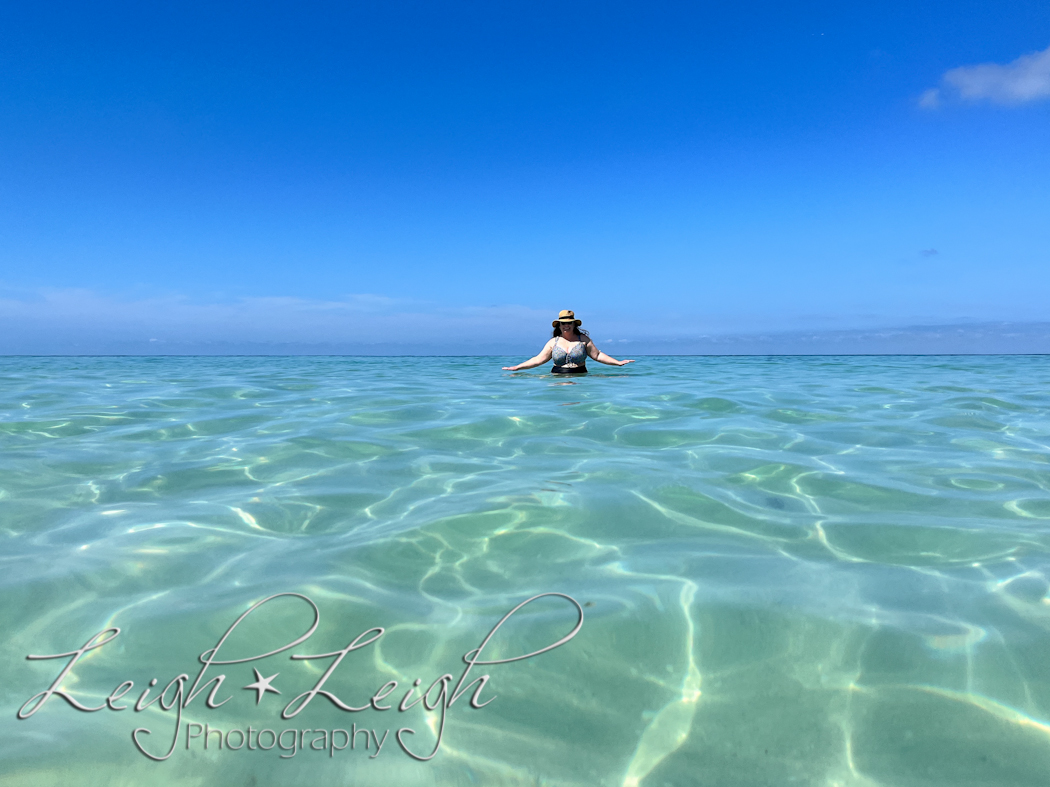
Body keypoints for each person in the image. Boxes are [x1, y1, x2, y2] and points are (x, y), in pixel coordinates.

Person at [502, 310, 636, 373]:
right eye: (563, 323)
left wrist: (618, 363)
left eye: (569, 323)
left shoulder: (583, 340)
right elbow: (538, 360)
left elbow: (598, 355)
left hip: (580, 379)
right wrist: (517, 367)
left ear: (574, 324)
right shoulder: (553, 342)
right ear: (559, 326)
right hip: (557, 378)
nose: (566, 325)